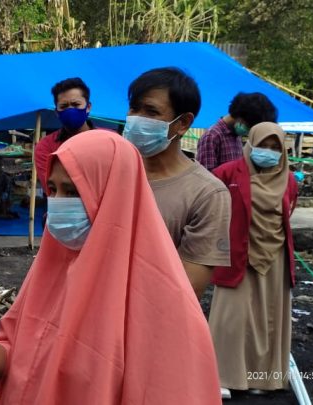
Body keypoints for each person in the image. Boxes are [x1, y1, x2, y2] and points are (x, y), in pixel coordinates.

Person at [0, 131, 221, 404]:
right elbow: (21, 364)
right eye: (53, 189)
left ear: (114, 194)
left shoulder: (166, 305)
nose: (58, 204)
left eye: (73, 191)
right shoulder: (51, 268)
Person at [123, 67, 231, 299]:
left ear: (182, 123)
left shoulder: (207, 194)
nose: (136, 119)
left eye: (151, 112)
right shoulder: (112, 173)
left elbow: (187, 289)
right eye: (134, 108)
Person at [208, 122, 298, 398]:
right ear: (251, 144)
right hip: (237, 253)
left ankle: (264, 377)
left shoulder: (290, 180)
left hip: (275, 256)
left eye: (275, 147)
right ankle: (222, 375)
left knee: (268, 317)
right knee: (230, 317)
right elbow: (210, 204)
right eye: (263, 146)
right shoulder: (227, 172)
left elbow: (286, 215)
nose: (268, 152)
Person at [34, 77, 99, 191]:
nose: (70, 110)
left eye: (75, 104)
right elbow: (52, 190)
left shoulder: (109, 140)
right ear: (56, 112)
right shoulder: (46, 146)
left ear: (88, 107)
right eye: (64, 106)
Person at [197, 92, 278, 171]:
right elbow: (205, 177)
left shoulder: (237, 136)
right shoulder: (212, 136)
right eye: (250, 127)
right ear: (240, 116)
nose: (249, 131)